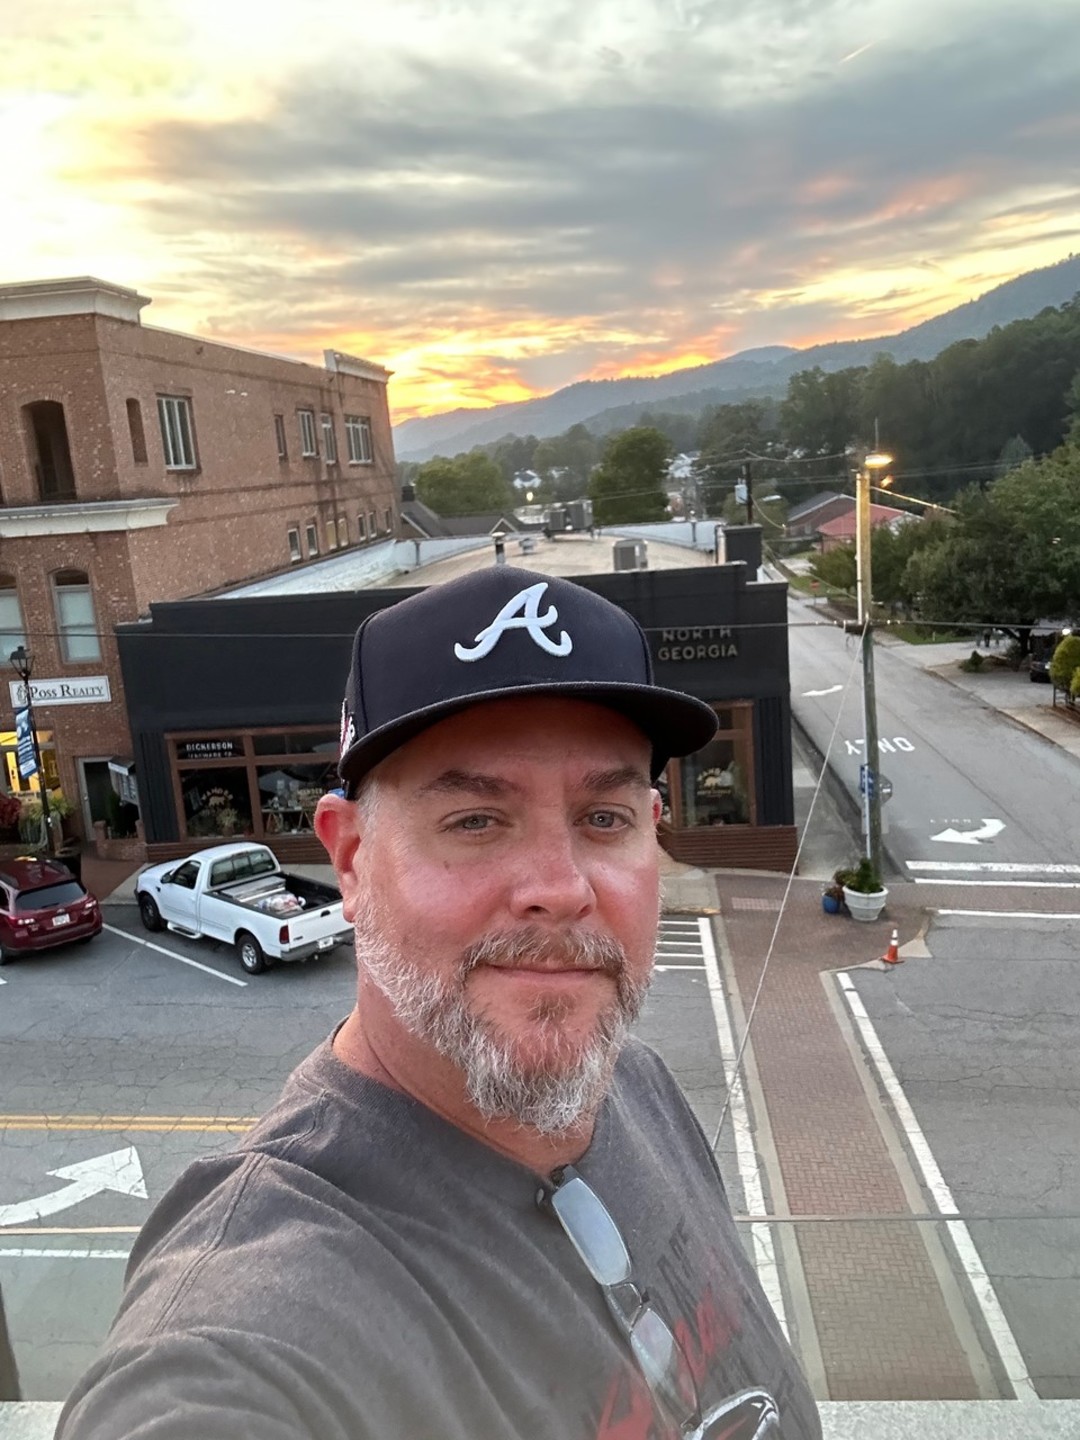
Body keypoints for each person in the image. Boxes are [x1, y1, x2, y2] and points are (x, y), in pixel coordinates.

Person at [58, 568, 821, 1440]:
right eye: (475, 821)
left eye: (605, 818)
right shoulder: (256, 1318)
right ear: (351, 861)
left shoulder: (638, 1088)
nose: (561, 889)